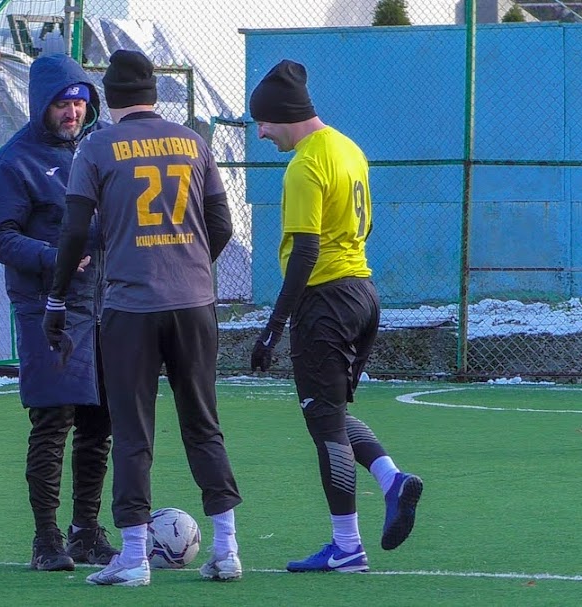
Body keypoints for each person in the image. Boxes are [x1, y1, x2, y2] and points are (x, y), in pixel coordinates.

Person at [45, 49, 243, 587]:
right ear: (156, 93)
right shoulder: (193, 142)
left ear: (108, 98)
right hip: (195, 304)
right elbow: (221, 223)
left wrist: (57, 300)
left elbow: (75, 232)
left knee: (133, 432)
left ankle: (133, 555)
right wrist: (190, 266)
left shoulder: (98, 146)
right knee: (203, 424)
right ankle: (226, 548)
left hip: (131, 307)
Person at [247, 59, 424, 573]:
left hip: (325, 302)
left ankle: (347, 547)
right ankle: (391, 479)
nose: (260, 132)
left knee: (324, 427)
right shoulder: (348, 147)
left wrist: (274, 326)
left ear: (284, 114)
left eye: (264, 122)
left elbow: (305, 251)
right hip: (362, 294)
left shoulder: (305, 164)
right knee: (333, 412)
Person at [0, 53, 118, 572]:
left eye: (80, 102)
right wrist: (53, 256)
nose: (73, 112)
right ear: (42, 104)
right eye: (63, 103)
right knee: (53, 420)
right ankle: (46, 538)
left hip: (105, 307)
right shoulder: (14, 161)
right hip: (49, 309)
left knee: (99, 421)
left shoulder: (99, 150)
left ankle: (86, 529)